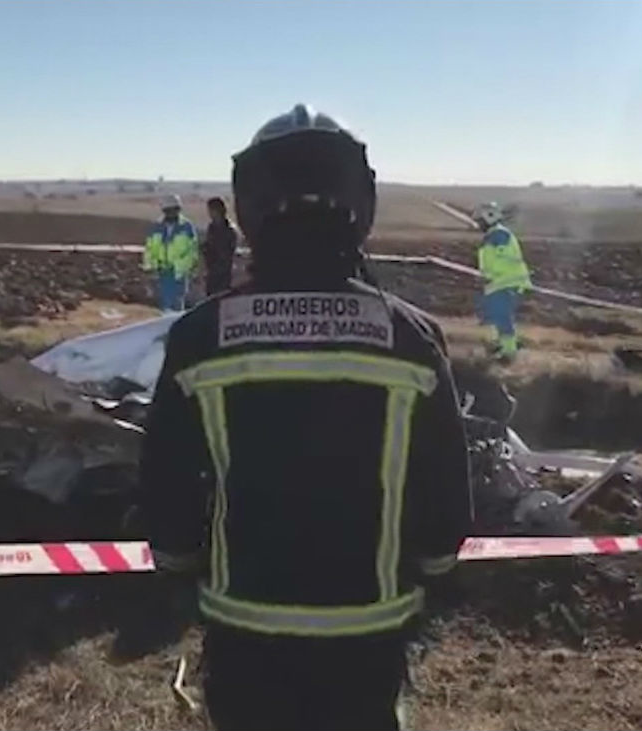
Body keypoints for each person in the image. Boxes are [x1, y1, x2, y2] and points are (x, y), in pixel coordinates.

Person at [139, 104, 473, 731]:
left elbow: (166, 486)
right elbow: (446, 496)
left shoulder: (201, 336)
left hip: (244, 631)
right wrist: (431, 573)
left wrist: (180, 569)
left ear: (250, 207)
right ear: (361, 203)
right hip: (369, 636)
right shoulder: (412, 338)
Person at [471, 201, 532, 361]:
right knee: (498, 316)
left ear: (489, 218)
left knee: (503, 317)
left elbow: (500, 260)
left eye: (480, 221)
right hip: (499, 282)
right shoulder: (494, 235)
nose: (478, 225)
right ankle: (503, 345)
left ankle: (509, 352)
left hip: (506, 282)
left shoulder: (498, 235)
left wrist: (488, 275)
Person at [142, 194, 199, 311]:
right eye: (169, 210)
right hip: (162, 271)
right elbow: (150, 248)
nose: (172, 213)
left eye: (174, 210)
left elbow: (192, 249)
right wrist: (150, 267)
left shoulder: (186, 226)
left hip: (179, 272)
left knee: (178, 303)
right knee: (165, 304)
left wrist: (187, 266)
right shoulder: (157, 227)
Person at [202, 196, 239, 296]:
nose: (209, 213)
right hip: (212, 271)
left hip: (223, 272)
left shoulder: (229, 229)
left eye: (211, 210)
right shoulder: (212, 228)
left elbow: (228, 251)